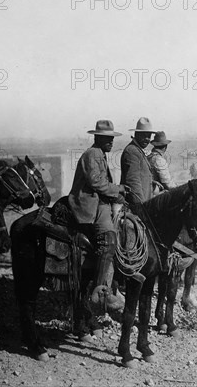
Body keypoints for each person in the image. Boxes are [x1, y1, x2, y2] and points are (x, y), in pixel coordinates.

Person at [68, 120, 127, 296]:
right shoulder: (92, 154)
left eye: (111, 138)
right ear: (97, 137)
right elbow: (97, 183)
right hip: (90, 202)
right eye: (106, 138)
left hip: (99, 200)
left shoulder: (99, 153)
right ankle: (100, 292)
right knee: (109, 239)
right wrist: (119, 189)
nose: (111, 141)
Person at [120, 117, 156, 207]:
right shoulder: (132, 151)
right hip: (137, 205)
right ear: (136, 134)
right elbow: (133, 181)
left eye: (149, 136)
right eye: (144, 135)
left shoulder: (138, 150)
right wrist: (141, 206)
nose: (147, 139)